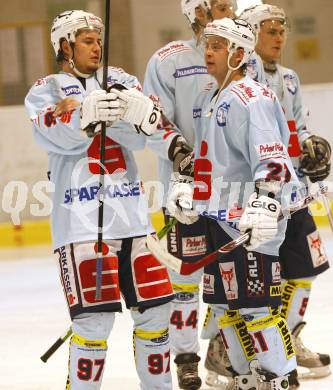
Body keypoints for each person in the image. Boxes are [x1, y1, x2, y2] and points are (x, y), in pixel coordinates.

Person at [25, 10, 175, 390]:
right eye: (87, 40)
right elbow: (51, 133)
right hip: (81, 226)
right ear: (65, 45)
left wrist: (120, 111)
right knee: (93, 323)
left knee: (157, 314)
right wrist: (85, 117)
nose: (97, 46)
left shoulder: (119, 80)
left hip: (135, 221)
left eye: (98, 39)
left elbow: (144, 135)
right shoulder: (48, 88)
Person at [167, 17, 302, 389]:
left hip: (250, 223)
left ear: (239, 54)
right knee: (225, 307)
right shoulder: (211, 98)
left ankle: (280, 379)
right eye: (206, 44)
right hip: (221, 219)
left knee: (258, 309)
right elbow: (219, 165)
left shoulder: (251, 97)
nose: (207, 52)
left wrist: (266, 201)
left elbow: (271, 157)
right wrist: (194, 194)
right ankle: (246, 378)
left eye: (217, 46)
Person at [143, 1, 236, 388]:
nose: (226, 8)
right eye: (217, 3)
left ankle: (222, 346)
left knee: (229, 276)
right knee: (185, 279)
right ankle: (185, 357)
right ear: (196, 10)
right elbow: (153, 120)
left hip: (233, 189)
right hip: (186, 193)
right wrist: (178, 149)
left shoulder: (241, 56)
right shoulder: (168, 60)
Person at [239, 4, 331, 381]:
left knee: (307, 269)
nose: (279, 37)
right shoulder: (244, 78)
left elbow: (297, 127)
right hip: (259, 194)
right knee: (254, 280)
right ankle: (226, 344)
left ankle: (289, 337)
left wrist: (310, 147)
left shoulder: (289, 78)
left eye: (282, 30)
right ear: (251, 35)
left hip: (293, 191)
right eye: (271, 31)